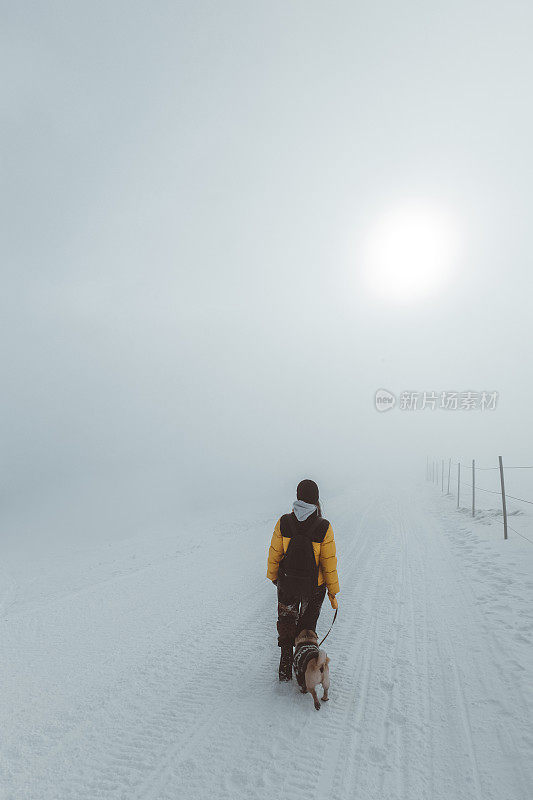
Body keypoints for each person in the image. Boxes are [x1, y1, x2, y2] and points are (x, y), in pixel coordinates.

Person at [266, 479, 340, 681]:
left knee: (287, 623)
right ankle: (303, 670)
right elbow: (329, 564)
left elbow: (275, 554)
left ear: (298, 497)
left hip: (287, 584)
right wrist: (333, 592)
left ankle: (285, 662)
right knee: (306, 628)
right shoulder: (323, 526)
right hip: (313, 588)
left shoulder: (284, 522)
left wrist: (274, 577)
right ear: (316, 499)